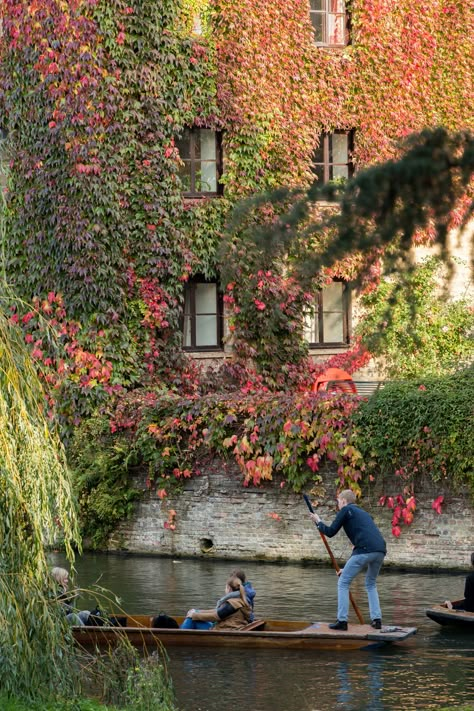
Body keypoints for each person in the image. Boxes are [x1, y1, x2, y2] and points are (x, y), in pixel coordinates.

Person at [309, 489, 386, 631]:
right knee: (370, 583)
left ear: (344, 501)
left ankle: (342, 621)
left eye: (338, 502)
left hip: (364, 549)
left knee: (343, 582)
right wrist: (347, 569)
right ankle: (377, 620)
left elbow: (331, 532)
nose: (338, 505)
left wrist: (318, 521)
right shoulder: (364, 513)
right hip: (380, 550)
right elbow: (365, 542)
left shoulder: (345, 510)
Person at [180, 574, 252, 630]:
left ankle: (179, 636)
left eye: (225, 587)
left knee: (191, 619)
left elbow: (215, 616)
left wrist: (194, 615)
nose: (225, 589)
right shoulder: (240, 600)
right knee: (194, 614)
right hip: (228, 627)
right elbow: (218, 611)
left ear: (229, 588)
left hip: (225, 630)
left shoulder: (232, 604)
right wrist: (198, 611)